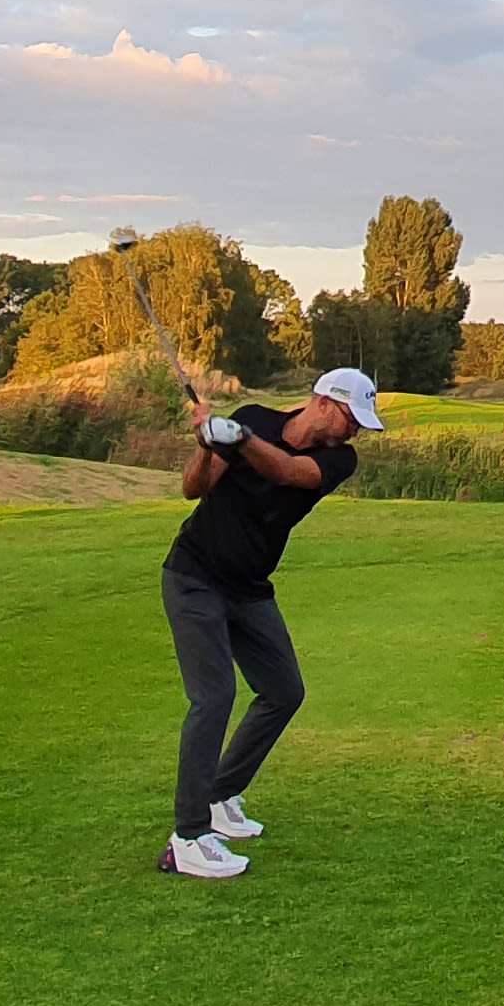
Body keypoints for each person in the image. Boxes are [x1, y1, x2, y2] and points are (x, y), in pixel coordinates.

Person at [158, 362, 382, 878]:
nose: (355, 431)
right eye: (351, 417)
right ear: (323, 402)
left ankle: (219, 796)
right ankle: (187, 838)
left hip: (249, 588)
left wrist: (237, 438)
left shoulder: (337, 459)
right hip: (195, 575)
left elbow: (286, 471)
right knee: (213, 697)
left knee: (284, 691)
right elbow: (193, 490)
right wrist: (209, 444)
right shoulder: (254, 418)